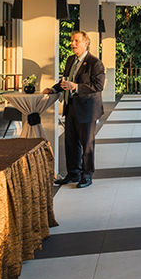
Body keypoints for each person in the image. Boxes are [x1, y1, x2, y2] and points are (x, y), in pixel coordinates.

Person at [48, 31, 106, 189]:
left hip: (87, 109)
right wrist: (53, 89)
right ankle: (73, 173)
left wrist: (77, 87)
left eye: (76, 41)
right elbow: (65, 79)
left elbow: (98, 86)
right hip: (71, 106)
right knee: (70, 142)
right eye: (72, 40)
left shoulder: (95, 63)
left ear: (86, 43)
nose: (73, 44)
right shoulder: (70, 60)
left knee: (86, 144)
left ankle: (87, 176)